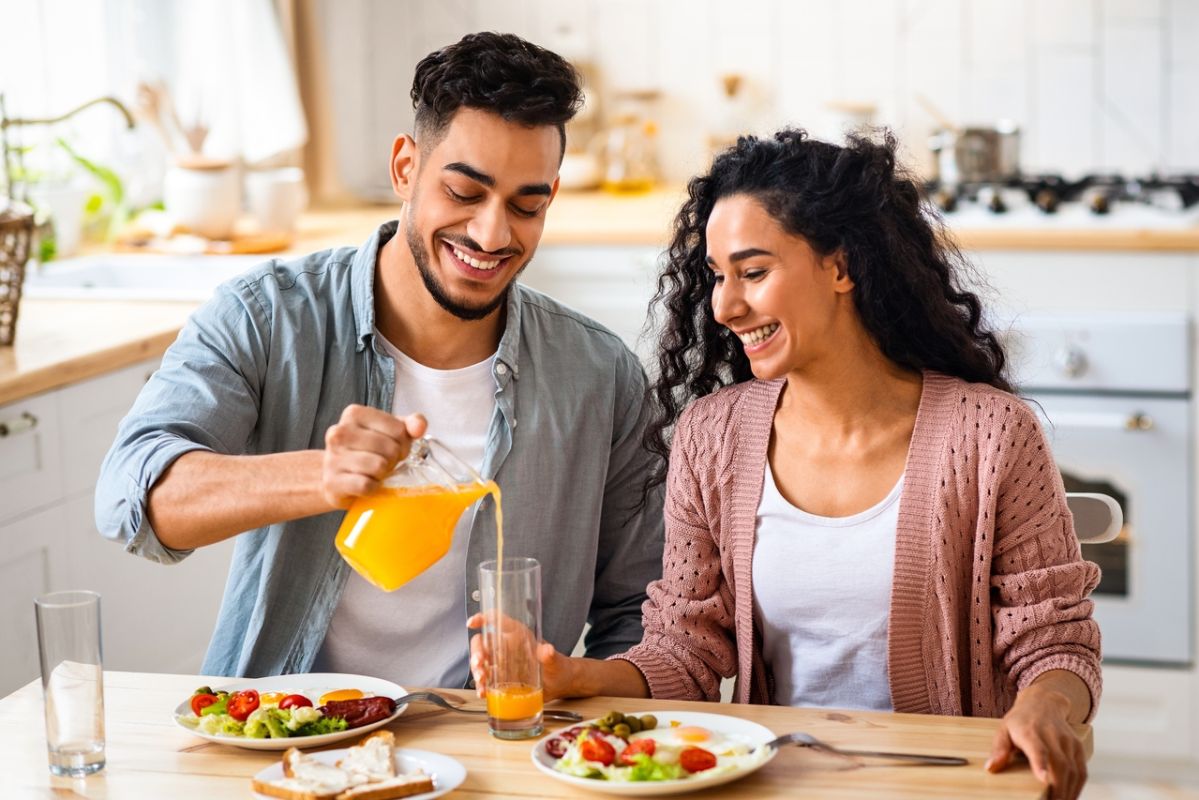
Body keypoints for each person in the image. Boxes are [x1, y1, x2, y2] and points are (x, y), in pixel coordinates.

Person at [470, 129, 1100, 800]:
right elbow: (686, 650)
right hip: (779, 781)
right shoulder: (712, 436)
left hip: (949, 781)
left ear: (840, 266)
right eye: (717, 276)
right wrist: (576, 676)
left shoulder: (990, 435)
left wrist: (1045, 704)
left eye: (753, 271)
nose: (724, 305)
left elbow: (1053, 644)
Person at [95, 32, 663, 689]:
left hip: (495, 750)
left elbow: (641, 612)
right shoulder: (267, 316)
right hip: (289, 740)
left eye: (526, 205)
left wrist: (571, 685)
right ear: (404, 168)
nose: (491, 234)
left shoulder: (599, 374)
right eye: (463, 193)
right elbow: (128, 496)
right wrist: (321, 477)